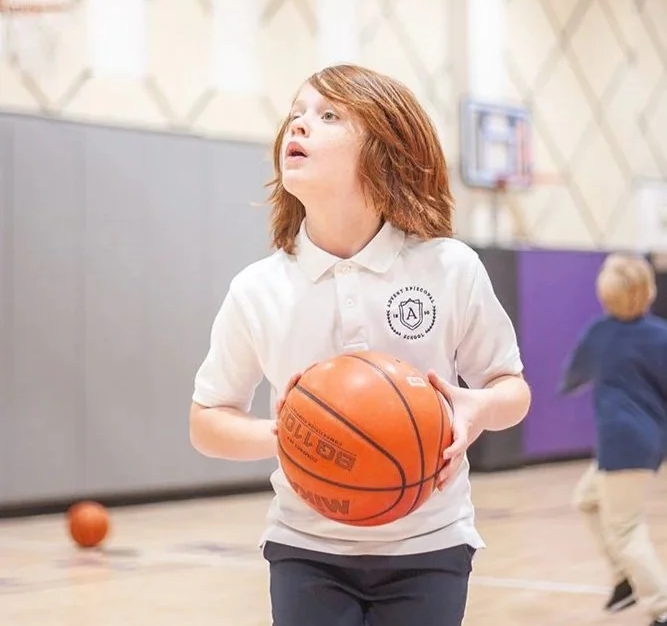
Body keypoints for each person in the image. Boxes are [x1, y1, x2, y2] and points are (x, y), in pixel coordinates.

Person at [189, 63, 531, 626]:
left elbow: (510, 388)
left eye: (327, 116)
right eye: (294, 115)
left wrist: (481, 409)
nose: (298, 126)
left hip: (431, 544)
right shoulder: (259, 289)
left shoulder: (449, 267)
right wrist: (291, 437)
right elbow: (207, 419)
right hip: (305, 547)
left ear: (385, 148)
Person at [560, 253, 667, 626]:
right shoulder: (661, 336)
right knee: (587, 500)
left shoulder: (600, 333)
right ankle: (624, 577)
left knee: (625, 529)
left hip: (621, 443)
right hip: (649, 442)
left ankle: (661, 607)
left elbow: (571, 378)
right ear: (648, 291)